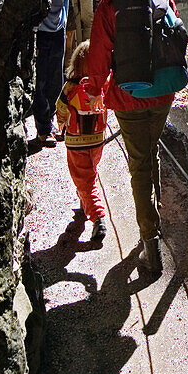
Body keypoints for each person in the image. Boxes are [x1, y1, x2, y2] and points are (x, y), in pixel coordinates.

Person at [85, 0, 188, 273]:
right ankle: (153, 223)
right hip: (162, 96)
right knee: (151, 152)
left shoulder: (109, 5)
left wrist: (93, 90)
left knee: (140, 163)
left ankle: (150, 243)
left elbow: (99, 57)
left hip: (128, 97)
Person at [55, 41, 108, 244]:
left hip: (76, 143)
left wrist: (60, 126)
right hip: (97, 141)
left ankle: (97, 216)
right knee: (89, 174)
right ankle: (84, 203)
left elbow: (61, 110)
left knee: (84, 179)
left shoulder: (69, 88)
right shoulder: (101, 84)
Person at [34, 0, 70, 145]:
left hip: (58, 30)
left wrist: (64, 24)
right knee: (40, 79)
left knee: (56, 80)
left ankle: (50, 120)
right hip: (40, 29)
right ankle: (43, 129)